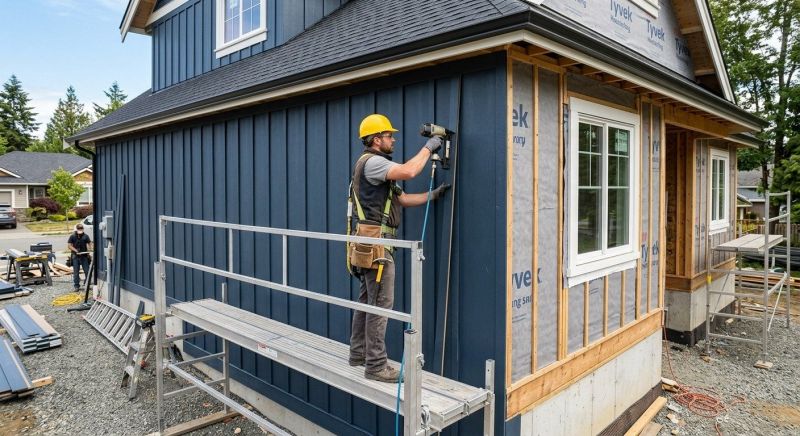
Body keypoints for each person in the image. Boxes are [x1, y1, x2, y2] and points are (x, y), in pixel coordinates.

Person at [348, 114, 449, 383]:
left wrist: (433, 195)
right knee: (381, 304)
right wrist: (430, 147)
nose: (393, 139)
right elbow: (409, 171)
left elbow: (402, 199)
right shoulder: (374, 163)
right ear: (376, 139)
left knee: (367, 301)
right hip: (378, 247)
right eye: (389, 136)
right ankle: (377, 366)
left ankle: (358, 354)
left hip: (369, 244)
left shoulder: (375, 167)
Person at [68, 223, 93, 291]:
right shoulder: (72, 236)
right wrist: (75, 250)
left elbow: (90, 243)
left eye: (81, 229)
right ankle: (76, 286)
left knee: (87, 271)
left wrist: (91, 248)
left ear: (83, 229)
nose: (80, 230)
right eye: (79, 229)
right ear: (77, 229)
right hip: (75, 256)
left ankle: (87, 284)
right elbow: (69, 245)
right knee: (76, 272)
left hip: (84, 256)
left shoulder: (85, 236)